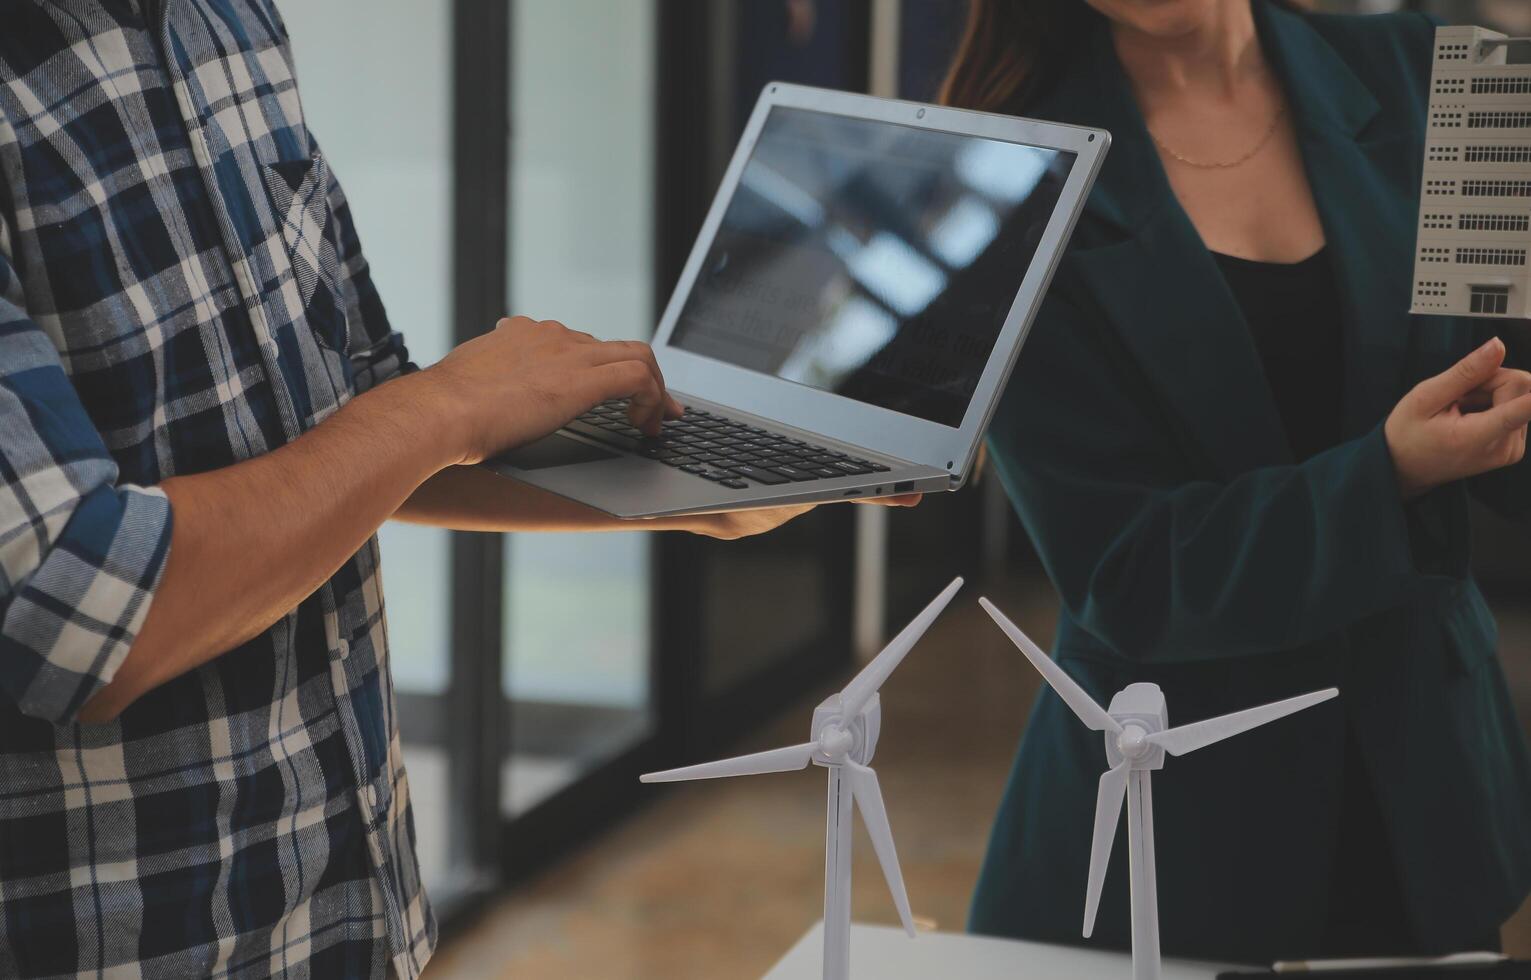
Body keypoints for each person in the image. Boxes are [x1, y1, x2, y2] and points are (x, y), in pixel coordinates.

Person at [0, 3, 918, 977]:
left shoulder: (226, 21)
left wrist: (692, 485)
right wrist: (449, 405)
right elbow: (82, 605)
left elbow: (343, 417)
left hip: (343, 923)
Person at [942, 0, 1531, 965]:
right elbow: (1125, 571)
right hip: (1175, 819)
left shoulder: (1447, 72)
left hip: (1428, 793)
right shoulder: (1006, 177)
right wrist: (1384, 476)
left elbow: (1509, 391)